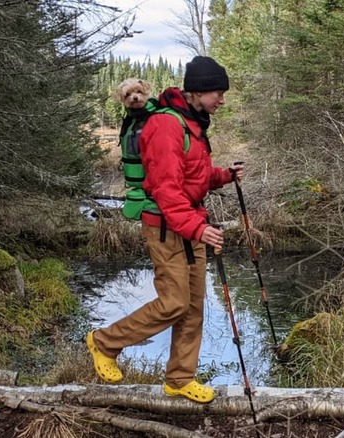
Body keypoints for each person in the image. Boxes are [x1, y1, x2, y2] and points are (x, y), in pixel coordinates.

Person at [86, 56, 243, 404]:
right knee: (174, 303)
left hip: (189, 224)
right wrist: (198, 229)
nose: (222, 100)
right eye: (219, 92)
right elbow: (165, 189)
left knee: (193, 308)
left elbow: (193, 176)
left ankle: (179, 379)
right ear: (199, 90)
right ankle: (104, 342)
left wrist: (224, 176)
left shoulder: (192, 123)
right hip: (166, 227)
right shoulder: (166, 126)